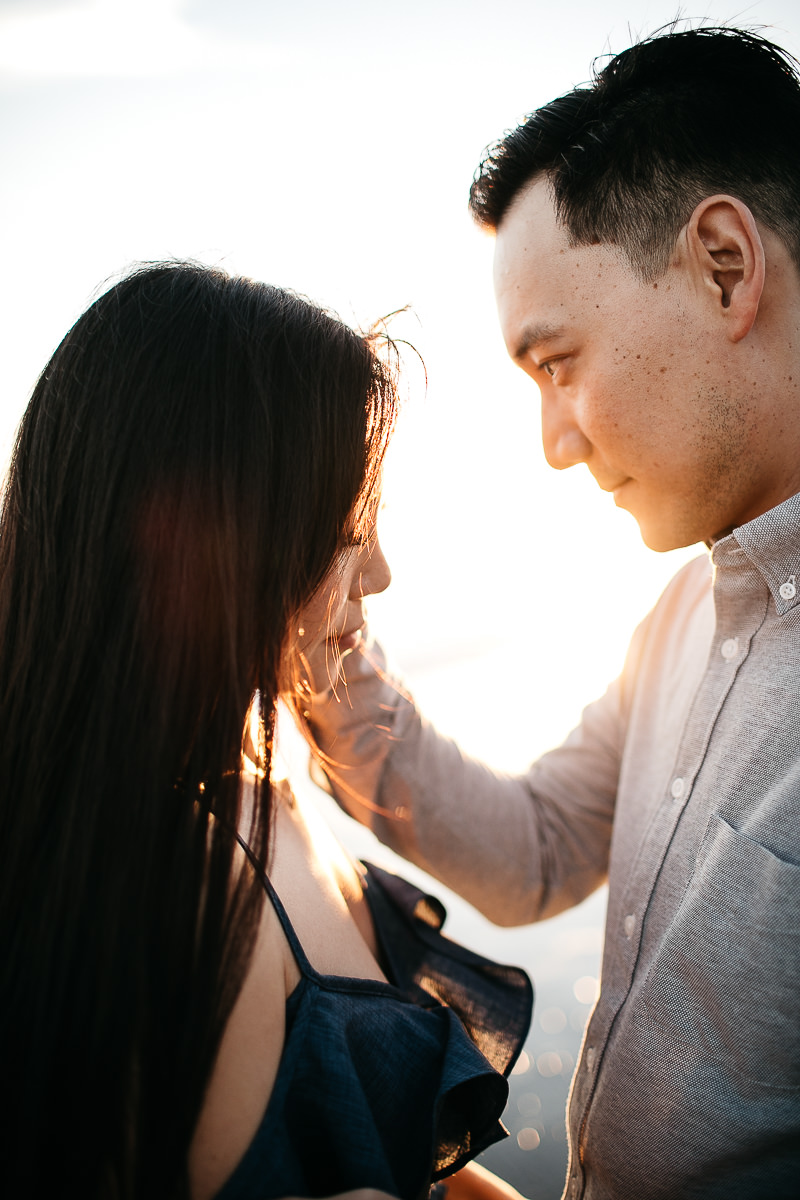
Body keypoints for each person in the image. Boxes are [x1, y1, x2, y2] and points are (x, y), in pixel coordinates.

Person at [300, 26, 800, 1200]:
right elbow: (534, 852)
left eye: (557, 362)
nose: (553, 444)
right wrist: (323, 637)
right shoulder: (678, 618)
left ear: (723, 267)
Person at [0, 263, 532, 1200]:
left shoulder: (261, 765)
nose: (380, 572)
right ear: (226, 543)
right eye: (350, 526)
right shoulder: (182, 884)